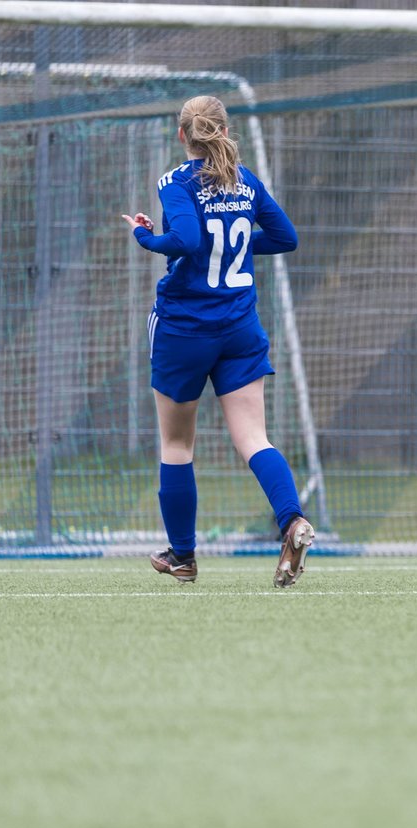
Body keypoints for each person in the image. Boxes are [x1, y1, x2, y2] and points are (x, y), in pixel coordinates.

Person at [122, 95, 315, 588]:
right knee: (254, 439)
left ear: (183, 135)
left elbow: (184, 240)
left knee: (177, 443)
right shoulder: (243, 180)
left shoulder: (176, 181)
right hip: (239, 328)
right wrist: (245, 239)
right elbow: (286, 236)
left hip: (185, 330)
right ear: (224, 132)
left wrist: (146, 239)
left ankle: (183, 557)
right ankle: (292, 520)